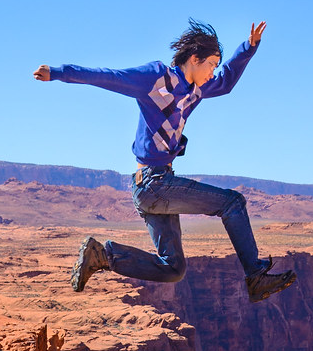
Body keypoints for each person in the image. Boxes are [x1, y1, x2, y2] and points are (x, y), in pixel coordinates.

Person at [34, 19, 296, 302]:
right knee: (232, 203)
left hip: (157, 186)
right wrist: (59, 73)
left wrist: (249, 47)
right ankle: (255, 277)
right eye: (211, 64)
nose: (213, 72)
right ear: (194, 59)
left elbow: (228, 81)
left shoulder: (197, 89)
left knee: (173, 269)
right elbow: (107, 76)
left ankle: (102, 255)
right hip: (152, 183)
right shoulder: (155, 78)